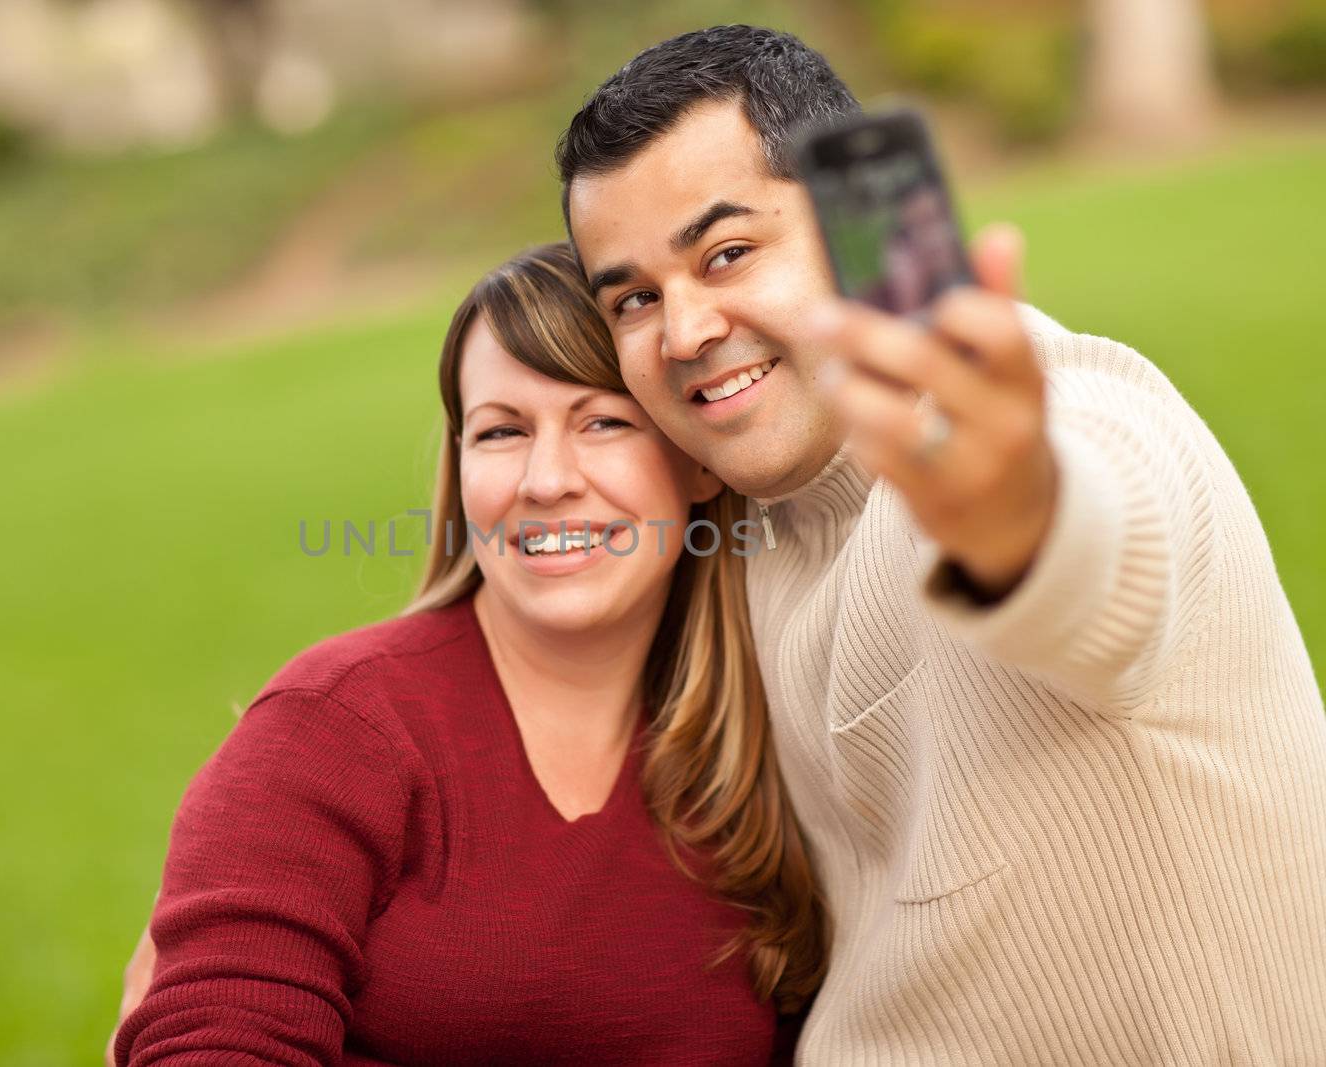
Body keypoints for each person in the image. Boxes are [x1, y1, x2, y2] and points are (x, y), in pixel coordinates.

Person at [556, 23, 1326, 1063]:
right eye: (635, 298)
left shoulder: (1069, 405)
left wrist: (1015, 516)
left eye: (727, 254)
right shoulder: (737, 534)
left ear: (854, 229)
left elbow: (1104, 542)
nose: (683, 330)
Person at [109, 243, 826, 1066]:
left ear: (699, 460)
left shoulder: (766, 755)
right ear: (460, 468)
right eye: (501, 431)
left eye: (602, 422)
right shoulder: (335, 725)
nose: (546, 479)